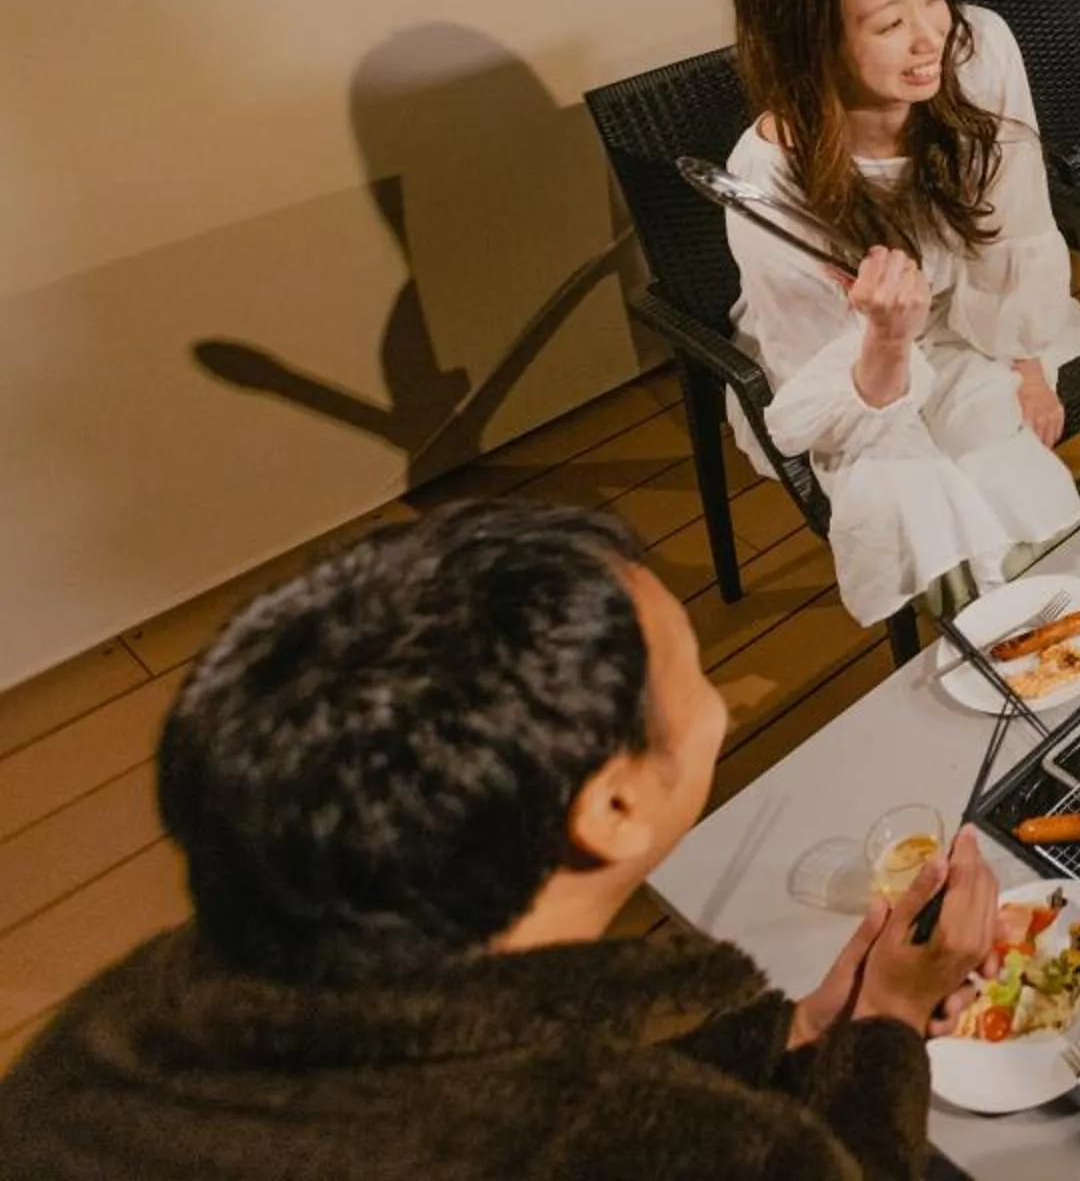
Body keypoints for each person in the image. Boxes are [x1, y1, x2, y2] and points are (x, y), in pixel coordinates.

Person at [0, 500, 999, 1179]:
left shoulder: (125, 1024)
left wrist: (805, 1027)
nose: (717, 705)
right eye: (692, 670)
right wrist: (892, 1021)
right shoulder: (652, 1145)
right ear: (609, 809)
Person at [724, 0, 1080, 626]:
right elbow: (821, 402)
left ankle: (1077, 664)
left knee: (1030, 506)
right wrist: (888, 340)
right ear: (810, 46)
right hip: (854, 368)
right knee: (931, 525)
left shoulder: (977, 47)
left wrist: (1026, 361)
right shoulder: (768, 182)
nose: (931, 36)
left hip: (967, 325)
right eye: (891, 25)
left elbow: (1016, 223)